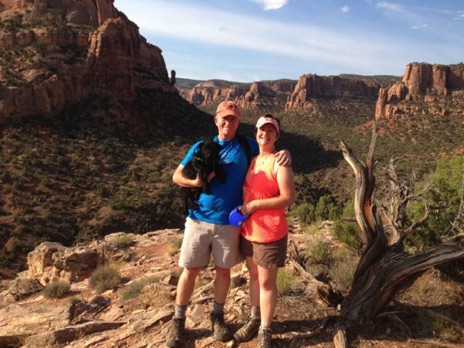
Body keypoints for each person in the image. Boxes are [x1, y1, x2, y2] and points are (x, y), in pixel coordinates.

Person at [167, 102, 291, 347]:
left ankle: (217, 316)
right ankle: (178, 320)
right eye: (224, 119)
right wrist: (196, 182)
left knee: (224, 272)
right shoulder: (201, 146)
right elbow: (176, 175)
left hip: (231, 224)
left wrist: (287, 152)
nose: (228, 123)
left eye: (233, 119)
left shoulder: (247, 145)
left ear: (238, 121)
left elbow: (270, 148)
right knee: (190, 270)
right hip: (198, 219)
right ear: (216, 120)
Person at [233, 115, 296, 348]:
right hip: (249, 231)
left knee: (267, 283)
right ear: (256, 132)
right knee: (254, 277)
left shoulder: (280, 161)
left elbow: (289, 197)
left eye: (271, 131)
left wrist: (256, 205)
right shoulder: (253, 160)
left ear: (276, 136)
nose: (265, 134)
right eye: (262, 130)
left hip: (270, 233)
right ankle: (254, 318)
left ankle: (265, 330)